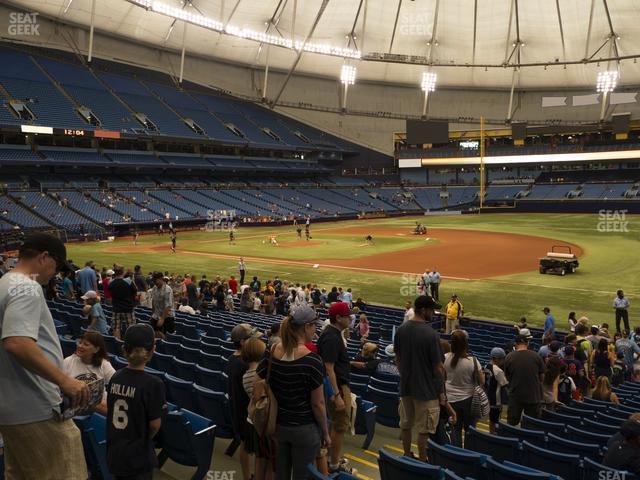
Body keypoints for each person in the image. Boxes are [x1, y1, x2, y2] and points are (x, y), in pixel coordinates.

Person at [0, 233, 90, 479]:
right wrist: (65, 380)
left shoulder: (5, 283)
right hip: (36, 407)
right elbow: (17, 343)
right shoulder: (26, 286)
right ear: (44, 257)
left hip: (12, 409)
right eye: (57, 265)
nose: (56, 273)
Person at [256, 306, 330, 480]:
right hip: (304, 428)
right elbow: (317, 403)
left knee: (281, 474)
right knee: (302, 476)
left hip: (278, 426)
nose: (315, 330)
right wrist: (326, 433)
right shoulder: (313, 360)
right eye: (314, 326)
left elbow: (256, 384)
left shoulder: (273, 350)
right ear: (306, 327)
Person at [107, 324, 166, 480]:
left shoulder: (116, 376)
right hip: (138, 455)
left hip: (116, 451)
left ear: (125, 350)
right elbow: (154, 425)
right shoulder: (153, 384)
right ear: (153, 349)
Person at [394, 295, 445, 461]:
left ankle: (407, 454)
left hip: (406, 387)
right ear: (423, 310)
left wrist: (406, 376)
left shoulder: (401, 329)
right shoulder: (431, 334)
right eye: (431, 310)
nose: (433, 313)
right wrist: (441, 392)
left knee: (406, 425)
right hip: (426, 390)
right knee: (424, 430)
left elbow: (398, 360)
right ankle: (423, 461)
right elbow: (438, 367)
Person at [318, 302, 353, 474]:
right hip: (337, 387)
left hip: (337, 385)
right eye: (347, 315)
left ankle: (331, 458)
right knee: (340, 426)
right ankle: (333, 464)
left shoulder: (333, 333)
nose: (350, 317)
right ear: (338, 318)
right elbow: (329, 367)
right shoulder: (332, 337)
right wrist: (337, 394)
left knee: (335, 425)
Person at [229, 323, 262, 480]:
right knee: (251, 446)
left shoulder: (232, 358)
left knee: (245, 444)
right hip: (246, 410)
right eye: (250, 337)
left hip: (237, 407)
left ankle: (246, 476)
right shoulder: (245, 364)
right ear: (243, 342)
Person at [444, 329, 484, 447]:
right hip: (468, 400)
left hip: (450, 400)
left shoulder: (444, 357)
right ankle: (468, 454)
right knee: (470, 430)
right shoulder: (473, 361)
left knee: (454, 430)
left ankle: (457, 454)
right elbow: (482, 381)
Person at [63, 332, 115, 416]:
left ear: (96, 349)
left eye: (86, 344)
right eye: (80, 342)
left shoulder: (104, 364)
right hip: (75, 407)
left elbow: (116, 382)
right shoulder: (68, 361)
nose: (80, 346)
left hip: (99, 410)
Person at [241, 337, 270, 480]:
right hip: (260, 423)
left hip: (252, 421)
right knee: (268, 461)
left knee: (260, 458)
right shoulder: (256, 375)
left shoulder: (248, 374)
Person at [504, 332, 545, 425]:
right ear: (527, 343)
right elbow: (542, 377)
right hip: (533, 395)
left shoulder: (509, 357)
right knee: (530, 424)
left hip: (515, 395)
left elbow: (507, 377)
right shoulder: (536, 356)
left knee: (512, 424)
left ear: (515, 344)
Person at [109, 265, 137, 340]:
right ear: (122, 272)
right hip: (127, 308)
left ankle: (118, 345)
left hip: (116, 308)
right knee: (130, 328)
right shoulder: (128, 281)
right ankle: (129, 344)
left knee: (116, 328)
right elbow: (135, 291)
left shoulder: (111, 282)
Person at [485, 347, 508, 434]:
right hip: (496, 399)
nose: (503, 361)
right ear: (497, 359)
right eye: (502, 359)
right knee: (495, 419)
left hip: (488, 397)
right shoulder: (498, 370)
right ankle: (493, 434)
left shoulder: (486, 366)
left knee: (491, 419)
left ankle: (491, 432)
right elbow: (505, 384)